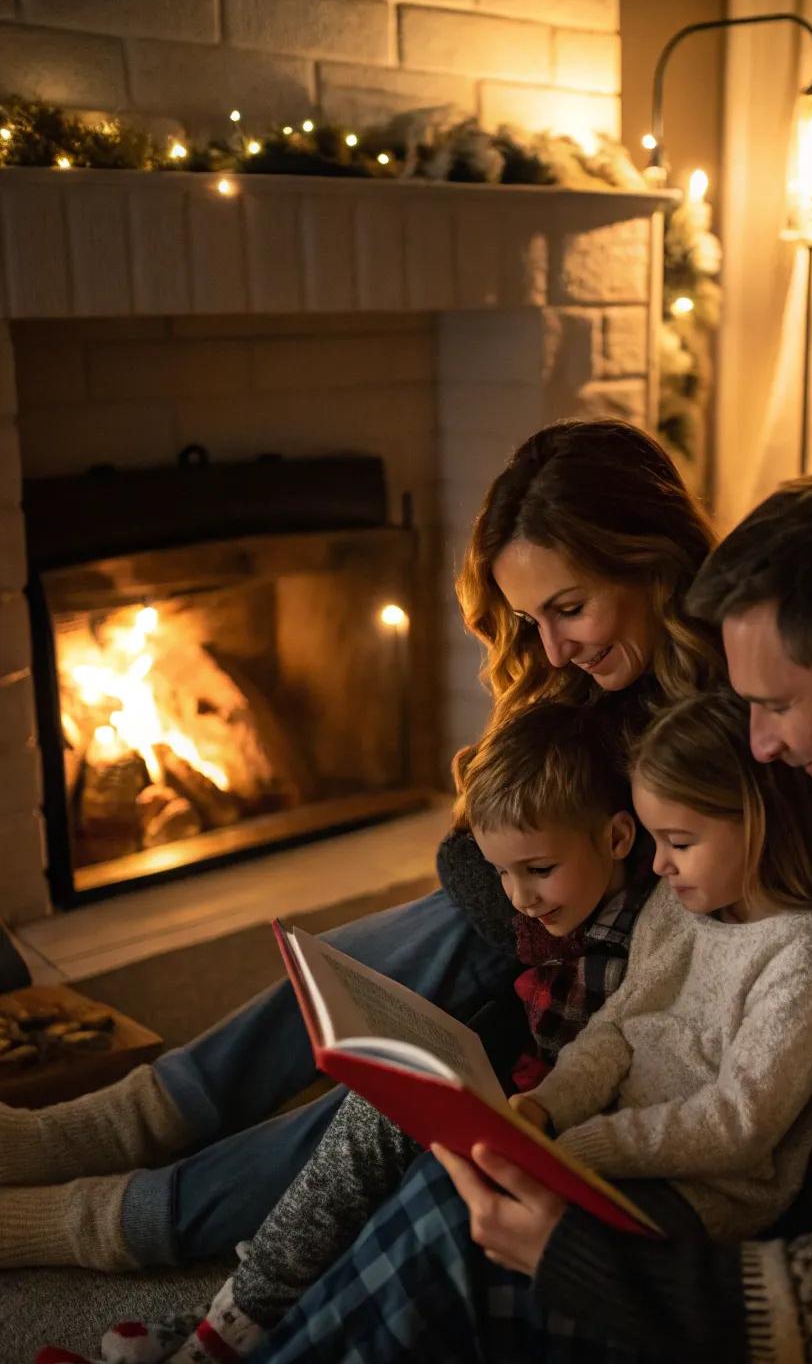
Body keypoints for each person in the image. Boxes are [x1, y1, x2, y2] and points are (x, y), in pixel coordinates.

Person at [86, 472, 812, 1364]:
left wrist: (601, 1268)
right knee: (465, 1154)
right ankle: (222, 1348)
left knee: (477, 1243)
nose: (759, 746)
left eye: (777, 705)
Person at [0, 420, 722, 1274]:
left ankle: (106, 1220)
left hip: (627, 993)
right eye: (532, 618)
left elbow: (695, 922)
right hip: (540, 944)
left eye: (569, 607)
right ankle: (110, 1128)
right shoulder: (586, 681)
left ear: (652, 558)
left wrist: (539, 882)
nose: (553, 646)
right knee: (396, 953)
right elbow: (470, 855)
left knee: (390, 1097)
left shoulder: (728, 704)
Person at [38, 687, 812, 1364]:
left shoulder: (804, 950)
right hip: (592, 1145)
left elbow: (736, 1128)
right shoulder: (682, 910)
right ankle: (228, 1330)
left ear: (759, 822)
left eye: (677, 843)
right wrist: (546, 1111)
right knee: (384, 1113)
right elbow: (613, 1034)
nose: (662, 868)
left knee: (439, 1184)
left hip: (684, 1197)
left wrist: (573, 1147)